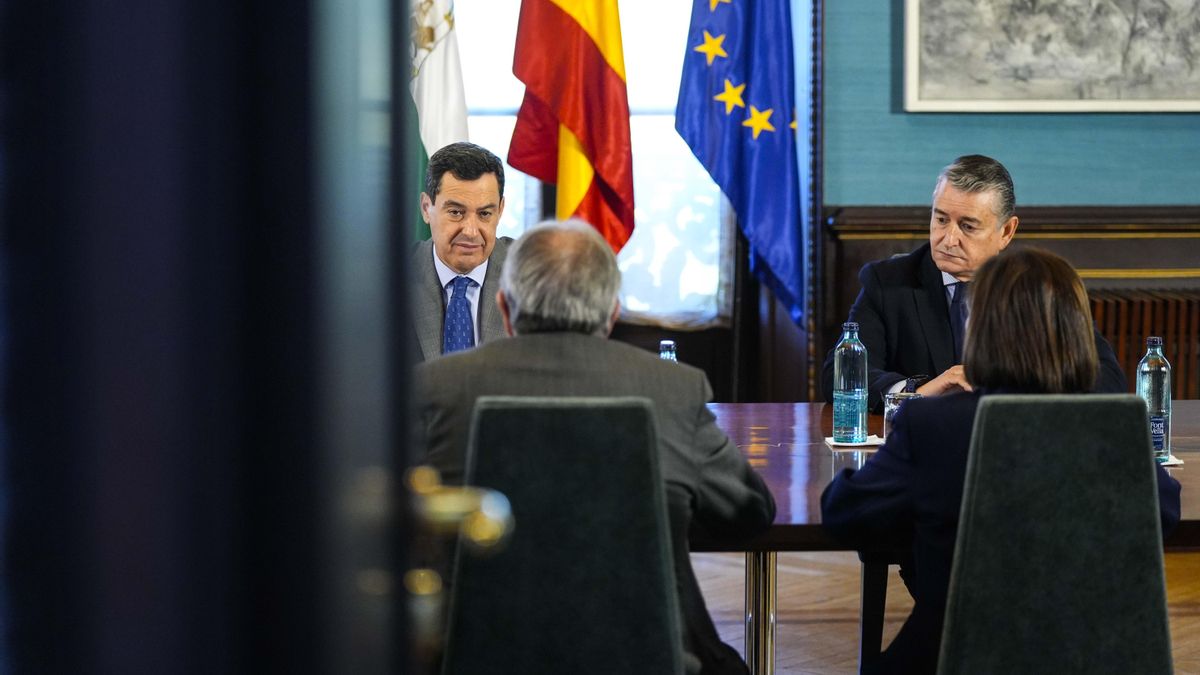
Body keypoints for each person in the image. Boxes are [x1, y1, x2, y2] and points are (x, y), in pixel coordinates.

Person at [414, 219, 776, 674]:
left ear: (505, 308)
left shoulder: (437, 387)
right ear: (612, 314)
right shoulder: (672, 389)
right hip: (654, 658)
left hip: (469, 657)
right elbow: (749, 513)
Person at [820, 248, 1182, 674]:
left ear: (982, 330)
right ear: (1080, 334)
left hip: (954, 659)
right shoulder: (1119, 429)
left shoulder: (934, 427)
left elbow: (844, 513)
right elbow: (1164, 513)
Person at [820, 154, 1126, 412]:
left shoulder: (1037, 288)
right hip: (925, 447)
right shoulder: (888, 282)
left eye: (967, 226)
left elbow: (1108, 380)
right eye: (940, 220)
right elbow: (839, 375)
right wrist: (919, 391)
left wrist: (1016, 394)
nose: (948, 239)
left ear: (1006, 232)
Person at [411, 141, 513, 361]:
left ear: (500, 210)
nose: (470, 231)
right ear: (426, 208)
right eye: (456, 212)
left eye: (485, 214)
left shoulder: (532, 276)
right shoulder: (387, 280)